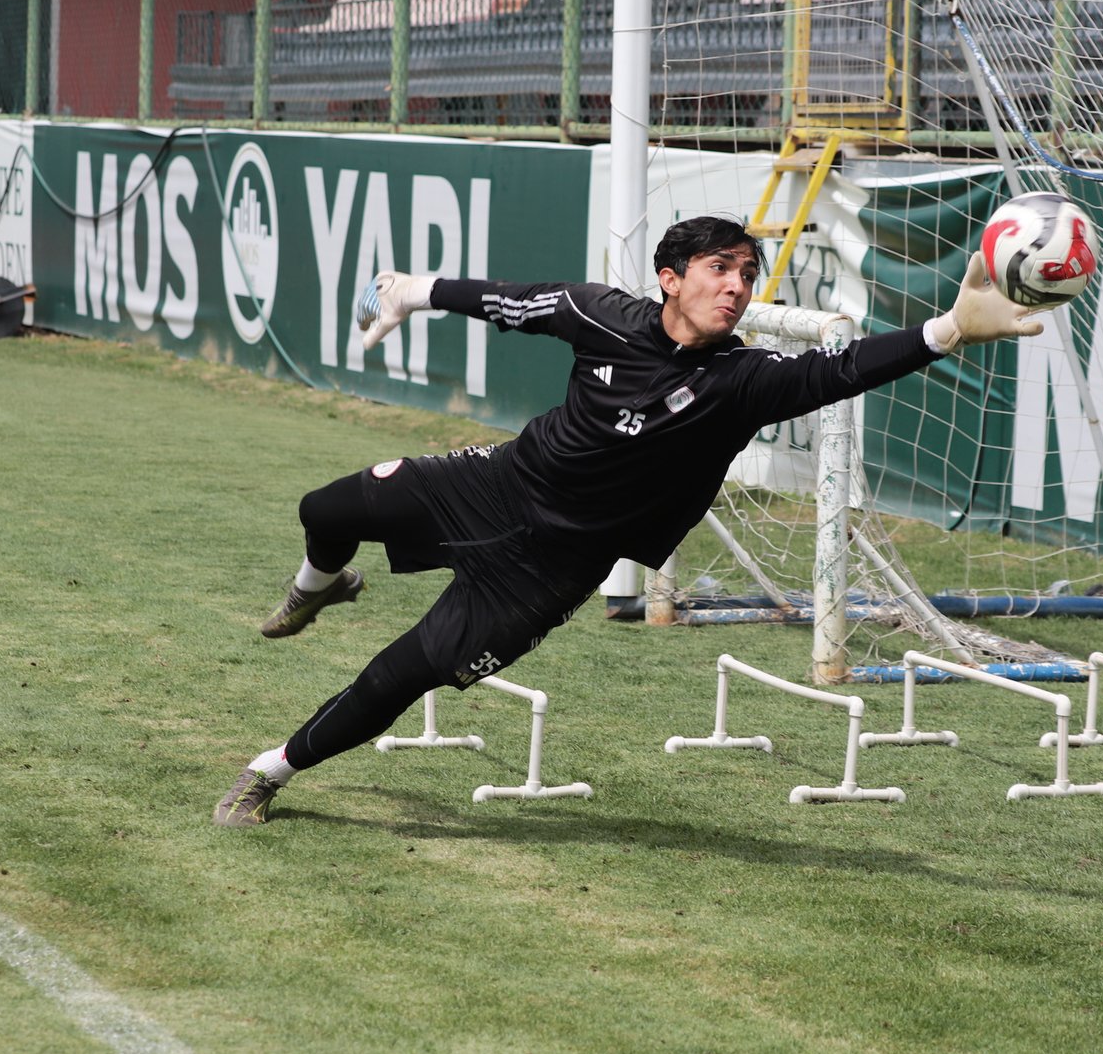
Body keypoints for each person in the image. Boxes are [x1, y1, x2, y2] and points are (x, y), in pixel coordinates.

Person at [214, 213, 1043, 827]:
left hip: (549, 571)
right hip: (493, 485)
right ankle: (316, 587)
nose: (738, 287)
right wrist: (412, 292)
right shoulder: (599, 313)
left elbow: (843, 368)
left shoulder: (743, 381)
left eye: (748, 274)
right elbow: (508, 302)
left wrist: (946, 331)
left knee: (398, 677)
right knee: (324, 507)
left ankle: (267, 773)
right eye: (720, 268)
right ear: (669, 278)